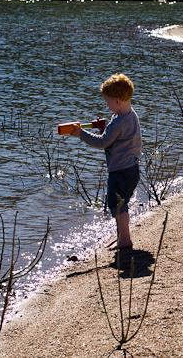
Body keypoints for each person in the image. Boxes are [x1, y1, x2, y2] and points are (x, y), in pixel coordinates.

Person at [71, 73, 142, 251]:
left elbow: (102, 142)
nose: (107, 105)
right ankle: (122, 237)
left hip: (120, 171)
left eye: (107, 102)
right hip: (132, 169)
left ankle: (124, 240)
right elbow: (116, 137)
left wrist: (81, 134)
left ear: (117, 101)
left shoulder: (117, 123)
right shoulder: (131, 115)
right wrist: (104, 128)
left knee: (118, 206)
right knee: (121, 203)